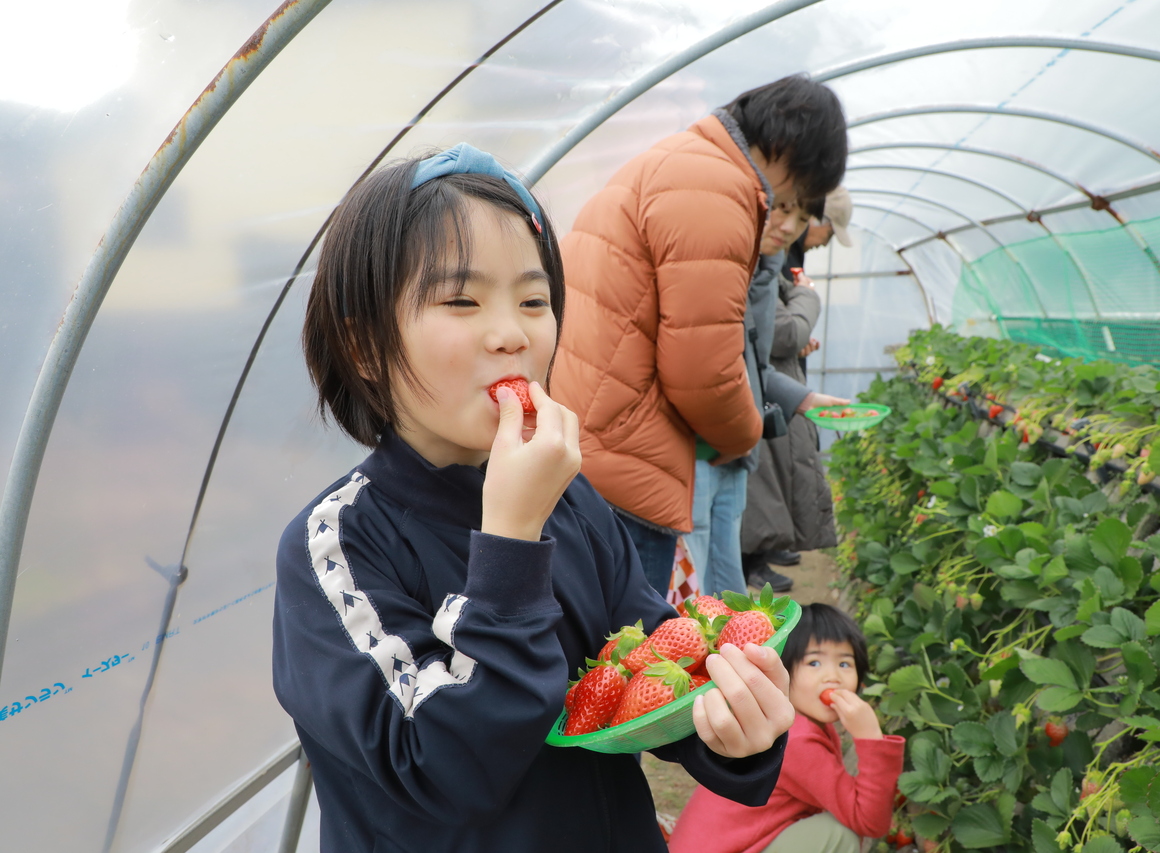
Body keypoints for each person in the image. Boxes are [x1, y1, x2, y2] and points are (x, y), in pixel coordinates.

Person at [273, 146, 795, 853]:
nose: (513, 333)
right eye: (461, 300)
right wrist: (511, 541)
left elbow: (646, 677)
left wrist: (735, 729)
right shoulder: (337, 544)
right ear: (365, 345)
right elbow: (442, 769)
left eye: (533, 300)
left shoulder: (571, 499)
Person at [551, 74, 849, 593]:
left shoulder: (687, 162)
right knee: (648, 655)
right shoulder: (717, 187)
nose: (794, 205)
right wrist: (744, 435)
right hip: (633, 454)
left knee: (623, 645)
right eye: (804, 187)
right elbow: (702, 370)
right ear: (792, 152)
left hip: (603, 435)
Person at [687, 199, 848, 597]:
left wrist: (804, 398)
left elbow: (751, 354)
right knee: (700, 573)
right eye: (783, 210)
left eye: (801, 218)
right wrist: (808, 296)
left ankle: (728, 642)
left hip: (733, 442)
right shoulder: (716, 269)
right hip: (705, 445)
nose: (789, 227)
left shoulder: (765, 267)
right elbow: (781, 335)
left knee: (723, 577)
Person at [668, 603, 905, 853]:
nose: (833, 676)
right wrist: (871, 739)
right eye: (814, 663)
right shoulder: (798, 739)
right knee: (838, 836)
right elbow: (868, 821)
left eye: (845, 664)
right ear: (784, 668)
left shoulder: (800, 725)